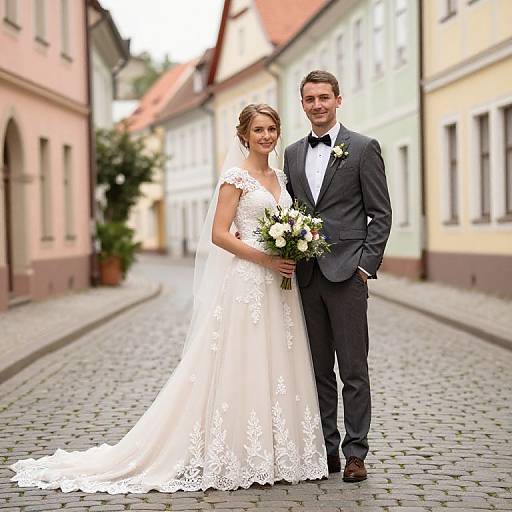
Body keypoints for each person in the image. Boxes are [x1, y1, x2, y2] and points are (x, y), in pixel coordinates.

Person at [9, 104, 328, 494]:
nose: (266, 136)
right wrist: (266, 257)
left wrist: (293, 248)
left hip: (280, 285)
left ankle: (280, 452)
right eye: (258, 129)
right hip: (248, 282)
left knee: (277, 358)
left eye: (271, 129)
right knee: (242, 361)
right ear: (244, 135)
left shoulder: (279, 176)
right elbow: (219, 233)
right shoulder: (236, 177)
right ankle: (238, 452)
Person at [283, 70, 392, 483]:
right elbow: (289, 207)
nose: (317, 105)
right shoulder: (293, 153)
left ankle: (356, 453)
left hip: (348, 275)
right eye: (309, 99)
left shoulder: (363, 148)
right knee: (316, 370)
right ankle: (325, 449)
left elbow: (380, 213)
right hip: (307, 277)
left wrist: (365, 267)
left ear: (338, 100)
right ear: (303, 104)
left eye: (324, 97)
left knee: (353, 369)